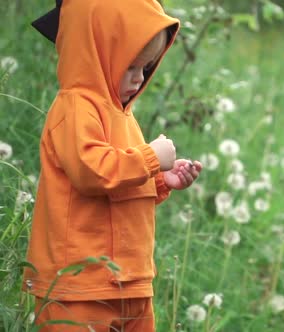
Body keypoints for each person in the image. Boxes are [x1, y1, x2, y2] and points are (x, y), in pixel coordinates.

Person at [23, 0, 202, 330]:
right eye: (130, 67)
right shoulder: (76, 107)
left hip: (131, 282)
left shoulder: (123, 115)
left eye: (146, 68)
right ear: (94, 53)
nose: (138, 79)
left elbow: (122, 180)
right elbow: (93, 171)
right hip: (78, 289)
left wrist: (162, 180)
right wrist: (150, 158)